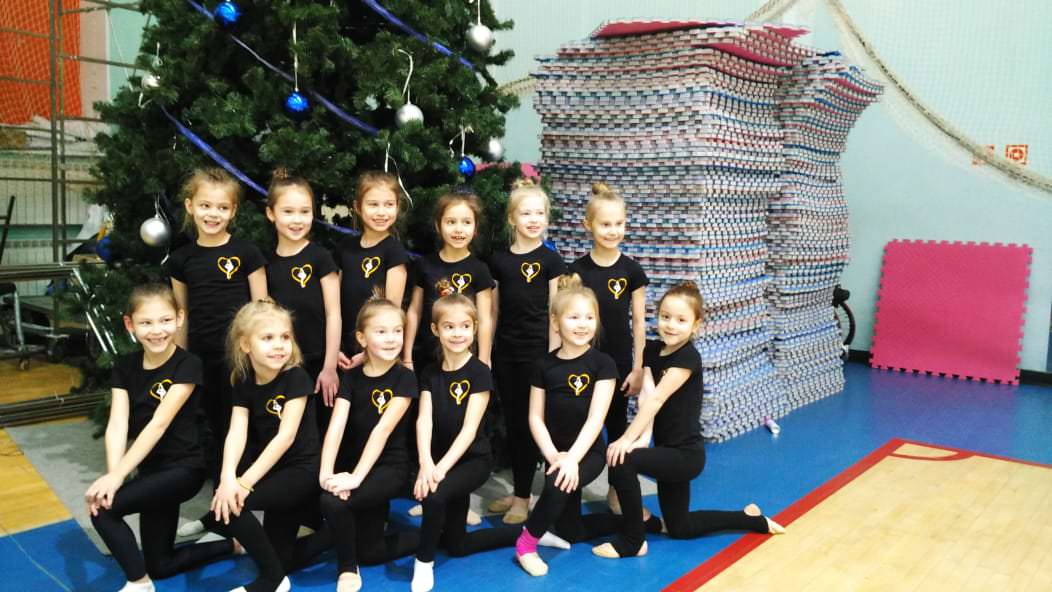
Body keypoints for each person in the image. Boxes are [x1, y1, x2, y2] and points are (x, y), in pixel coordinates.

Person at [593, 283, 785, 560]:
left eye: (681, 320)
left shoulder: (687, 358)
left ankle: (634, 541)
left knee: (621, 460)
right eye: (666, 317)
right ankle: (750, 518)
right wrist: (641, 440)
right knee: (680, 528)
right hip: (666, 450)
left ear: (696, 325)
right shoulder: (652, 350)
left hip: (685, 456)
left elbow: (658, 398)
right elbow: (647, 399)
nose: (671, 325)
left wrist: (625, 440)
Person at [87, 284, 234, 592]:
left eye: (165, 320)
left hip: (184, 469)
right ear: (130, 324)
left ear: (179, 318)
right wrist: (115, 475)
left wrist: (118, 477)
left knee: (102, 510)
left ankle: (139, 583)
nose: (157, 331)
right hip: (151, 471)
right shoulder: (124, 367)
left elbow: (159, 423)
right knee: (161, 565)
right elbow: (117, 424)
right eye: (146, 322)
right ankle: (232, 546)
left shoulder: (188, 364)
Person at [201, 299, 326, 592]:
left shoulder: (296, 377)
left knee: (232, 507)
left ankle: (273, 582)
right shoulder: (243, 380)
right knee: (281, 558)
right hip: (274, 472)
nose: (279, 345)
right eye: (267, 338)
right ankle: (334, 534)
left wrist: (243, 484)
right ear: (245, 344)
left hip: (302, 471)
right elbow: (237, 432)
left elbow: (286, 437)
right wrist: (227, 478)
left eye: (285, 337)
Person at [167, 167, 267, 500]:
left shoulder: (247, 253)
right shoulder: (181, 260)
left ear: (233, 211)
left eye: (222, 207)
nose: (213, 214)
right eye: (206, 205)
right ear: (190, 206)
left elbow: (261, 309)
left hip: (238, 357)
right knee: (208, 419)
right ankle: (216, 485)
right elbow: (181, 314)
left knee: (236, 420)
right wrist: (179, 361)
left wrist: (255, 355)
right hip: (200, 355)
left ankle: (239, 487)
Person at [513, 274, 621, 577]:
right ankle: (549, 529)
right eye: (573, 317)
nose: (582, 324)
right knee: (571, 531)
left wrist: (572, 459)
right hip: (555, 453)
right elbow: (535, 417)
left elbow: (596, 419)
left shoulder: (603, 364)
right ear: (555, 321)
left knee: (557, 482)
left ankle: (525, 544)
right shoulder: (544, 365)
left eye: (589, 317)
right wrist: (554, 456)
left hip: (588, 454)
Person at [319, 295, 420, 592]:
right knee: (371, 551)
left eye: (397, 331)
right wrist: (325, 473)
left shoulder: (405, 378)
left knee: (333, 503)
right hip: (359, 464)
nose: (391, 339)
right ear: (362, 338)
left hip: (389, 468)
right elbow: (336, 426)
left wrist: (356, 478)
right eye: (381, 331)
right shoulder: (351, 378)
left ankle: (348, 568)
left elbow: (382, 430)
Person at [486, 178, 567, 524]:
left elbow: (555, 312)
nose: (534, 220)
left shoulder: (552, 261)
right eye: (526, 213)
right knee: (516, 425)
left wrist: (553, 357)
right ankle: (521, 494)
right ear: (512, 219)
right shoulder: (499, 261)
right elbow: (492, 311)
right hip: (507, 354)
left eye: (539, 213)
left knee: (539, 426)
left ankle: (538, 500)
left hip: (540, 355)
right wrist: (487, 354)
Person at [568, 182, 648, 513]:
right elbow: (567, 318)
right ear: (588, 225)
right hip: (584, 363)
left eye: (619, 224)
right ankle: (570, 489)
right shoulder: (577, 271)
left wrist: (638, 368)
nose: (613, 231)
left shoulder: (632, 271)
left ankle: (616, 489)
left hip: (618, 364)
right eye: (605, 224)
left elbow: (639, 322)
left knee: (616, 427)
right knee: (577, 424)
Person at [264, 168, 340, 432]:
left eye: (305, 212)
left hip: (320, 361)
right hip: (283, 362)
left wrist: (330, 366)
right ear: (271, 213)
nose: (297, 220)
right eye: (288, 211)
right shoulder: (266, 263)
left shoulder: (320, 258)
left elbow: (333, 314)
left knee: (322, 426)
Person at [404, 191, 494, 371]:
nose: (459, 229)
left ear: (475, 228)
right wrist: (406, 357)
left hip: (465, 359)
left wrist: (484, 360)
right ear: (438, 226)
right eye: (451, 222)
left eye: (466, 222)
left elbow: (484, 319)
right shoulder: (424, 265)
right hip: (427, 358)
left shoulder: (480, 270)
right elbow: (414, 311)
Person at [334, 171, 409, 371]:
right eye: (373, 204)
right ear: (358, 207)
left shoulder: (394, 251)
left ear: (397, 206)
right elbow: (334, 305)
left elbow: (392, 312)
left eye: (389, 205)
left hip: (378, 351)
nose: (381, 212)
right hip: (344, 350)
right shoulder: (345, 248)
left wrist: (367, 354)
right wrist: (335, 349)